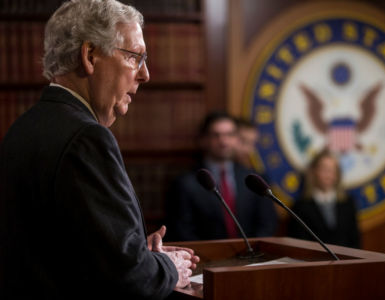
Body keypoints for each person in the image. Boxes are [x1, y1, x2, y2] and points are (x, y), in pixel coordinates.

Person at [0, 0, 199, 299]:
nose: (145, 75)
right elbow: (127, 278)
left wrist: (135, 251)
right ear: (90, 56)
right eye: (135, 57)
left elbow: (60, 248)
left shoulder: (23, 127)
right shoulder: (86, 138)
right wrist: (167, 267)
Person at [166, 112, 277, 241]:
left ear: (237, 139)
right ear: (204, 140)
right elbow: (182, 230)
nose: (223, 141)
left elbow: (267, 224)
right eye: (216, 135)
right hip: (206, 258)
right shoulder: (185, 183)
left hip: (252, 257)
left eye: (229, 135)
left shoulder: (254, 179)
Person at [287, 149, 361, 248]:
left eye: (332, 170)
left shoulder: (348, 203)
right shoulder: (300, 207)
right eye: (324, 169)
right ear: (314, 172)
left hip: (344, 261)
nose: (328, 175)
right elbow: (298, 244)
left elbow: (355, 242)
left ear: (337, 174)